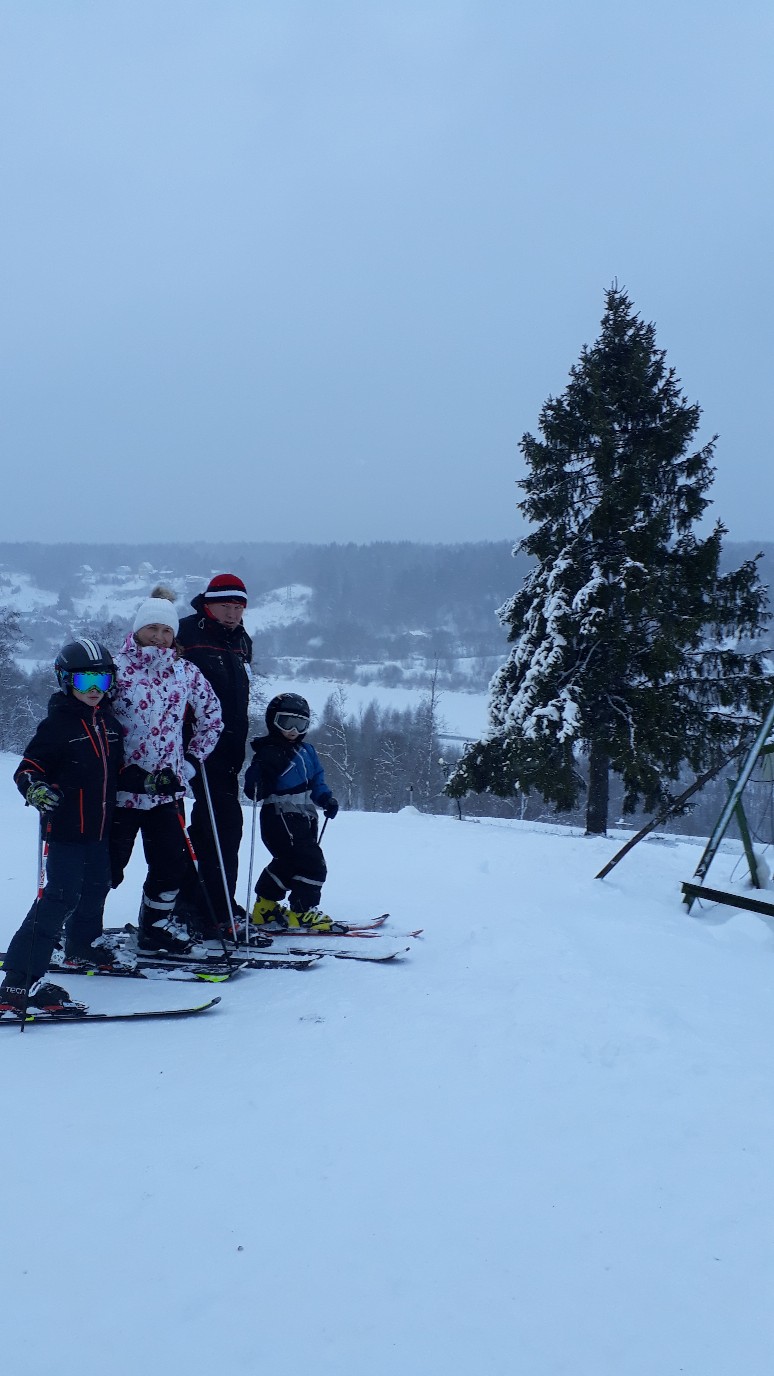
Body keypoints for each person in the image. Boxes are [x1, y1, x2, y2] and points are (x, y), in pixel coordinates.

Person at [0, 640, 123, 1017]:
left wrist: (151, 782)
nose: (93, 690)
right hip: (67, 831)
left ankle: (80, 947)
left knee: (97, 886)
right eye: (85, 680)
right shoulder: (57, 726)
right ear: (65, 680)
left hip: (100, 831)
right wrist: (35, 789)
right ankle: (18, 982)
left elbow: (118, 773)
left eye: (101, 680)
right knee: (59, 898)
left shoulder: (110, 724)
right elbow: (28, 769)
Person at [109, 586, 223, 954]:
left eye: (166, 631)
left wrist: (189, 763)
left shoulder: (185, 672)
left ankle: (155, 927)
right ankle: (81, 929)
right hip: (120, 791)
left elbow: (213, 719)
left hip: (166, 791)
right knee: (107, 867)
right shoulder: (114, 668)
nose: (159, 637)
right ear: (138, 629)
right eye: (152, 629)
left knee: (171, 865)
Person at [175, 573, 252, 933]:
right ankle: (211, 910)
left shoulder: (240, 640)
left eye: (239, 607)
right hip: (192, 751)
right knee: (213, 828)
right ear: (208, 602)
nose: (233, 613)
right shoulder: (185, 632)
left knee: (221, 829)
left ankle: (215, 902)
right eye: (226, 605)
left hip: (228, 752)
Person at [243, 693, 340, 932]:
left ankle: (265, 907)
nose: (293, 730)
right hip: (279, 815)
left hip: (303, 816)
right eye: (287, 723)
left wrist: (326, 798)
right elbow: (253, 786)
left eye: (301, 724)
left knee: (288, 862)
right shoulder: (270, 752)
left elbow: (317, 779)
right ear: (273, 722)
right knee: (312, 863)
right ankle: (302, 910)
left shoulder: (307, 751)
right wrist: (258, 778)